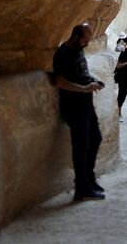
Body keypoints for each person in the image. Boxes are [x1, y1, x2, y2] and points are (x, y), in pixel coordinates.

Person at [52, 22, 106, 202]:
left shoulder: (78, 50)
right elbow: (60, 82)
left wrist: (93, 80)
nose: (87, 43)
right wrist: (84, 89)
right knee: (81, 147)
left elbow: (80, 74)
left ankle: (89, 180)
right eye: (85, 40)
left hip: (86, 104)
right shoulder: (63, 53)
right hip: (73, 107)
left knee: (95, 138)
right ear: (76, 37)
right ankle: (81, 188)